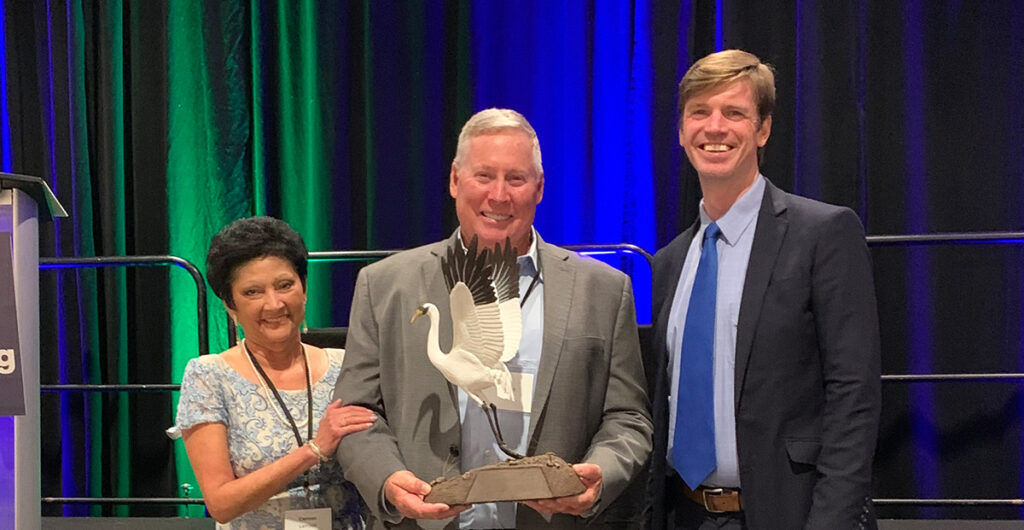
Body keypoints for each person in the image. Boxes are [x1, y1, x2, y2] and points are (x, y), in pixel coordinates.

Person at [334, 108, 653, 529]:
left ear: (540, 188)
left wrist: (602, 470)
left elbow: (628, 418)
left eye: (516, 179)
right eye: (484, 176)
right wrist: (388, 479)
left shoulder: (604, 290)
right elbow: (355, 415)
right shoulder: (385, 285)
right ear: (454, 180)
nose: (499, 196)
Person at [650, 50, 881, 529]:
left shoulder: (823, 233)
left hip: (789, 516)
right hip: (683, 516)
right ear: (681, 131)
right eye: (699, 112)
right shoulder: (670, 262)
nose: (714, 127)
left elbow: (853, 396)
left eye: (733, 113)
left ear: (763, 130)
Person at [171, 216, 377, 529]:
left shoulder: (346, 366)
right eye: (253, 292)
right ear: (230, 306)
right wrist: (313, 450)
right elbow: (221, 504)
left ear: (304, 288)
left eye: (285, 285)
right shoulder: (209, 376)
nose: (274, 303)